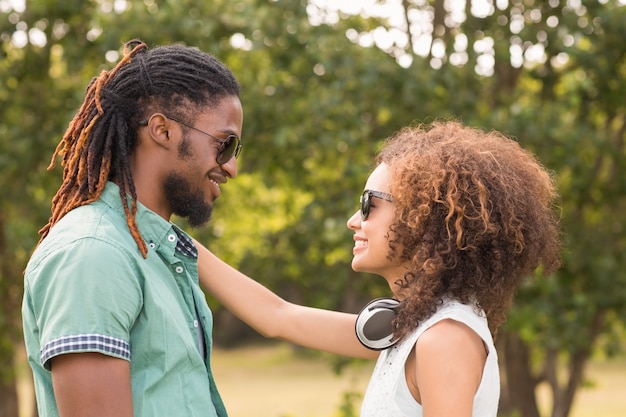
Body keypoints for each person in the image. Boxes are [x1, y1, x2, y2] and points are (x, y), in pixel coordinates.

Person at [195, 120, 561, 417]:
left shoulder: (445, 338)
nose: (354, 220)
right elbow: (278, 316)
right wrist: (177, 243)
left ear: (426, 218)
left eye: (369, 204)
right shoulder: (408, 325)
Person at [22, 39, 243, 417]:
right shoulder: (93, 254)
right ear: (162, 130)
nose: (232, 167)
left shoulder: (157, 251)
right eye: (225, 145)